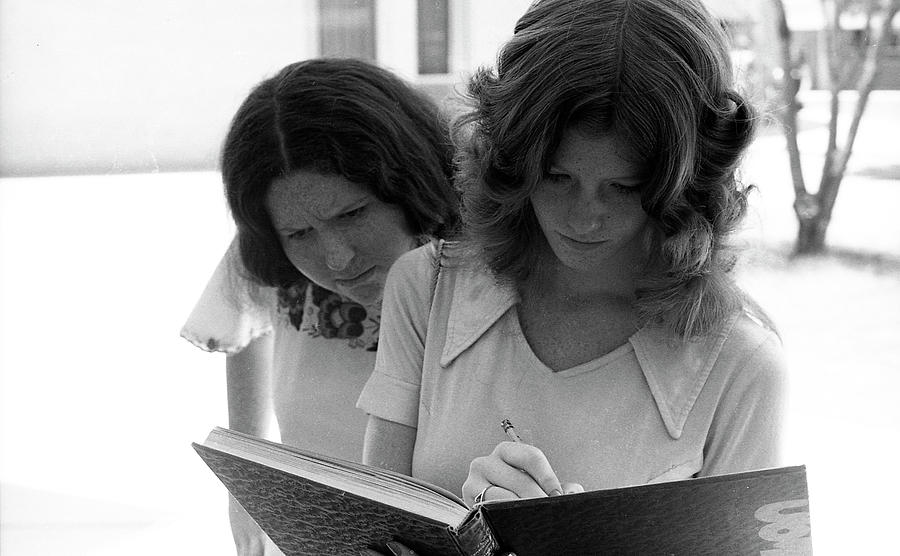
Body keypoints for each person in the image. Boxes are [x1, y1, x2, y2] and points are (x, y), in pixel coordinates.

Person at [357, 0, 786, 514]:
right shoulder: (425, 289)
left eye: (624, 187)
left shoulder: (743, 363)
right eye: (557, 177)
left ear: (686, 186)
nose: (584, 219)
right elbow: (370, 537)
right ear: (508, 163)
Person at [180, 58, 459, 556]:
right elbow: (242, 324)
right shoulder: (269, 241)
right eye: (300, 234)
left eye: (353, 214)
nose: (337, 258)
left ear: (409, 182)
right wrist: (248, 483)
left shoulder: (480, 265)